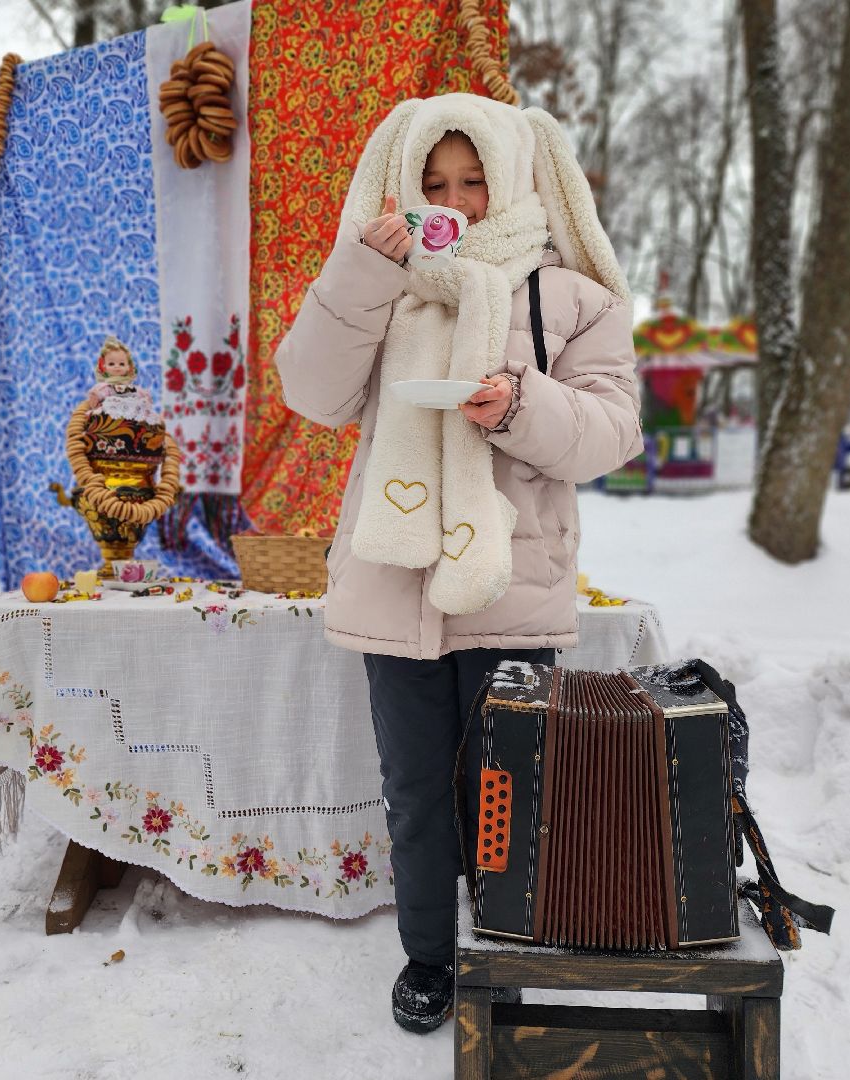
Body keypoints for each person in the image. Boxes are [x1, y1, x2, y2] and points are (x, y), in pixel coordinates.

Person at [275, 94, 643, 1034]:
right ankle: (432, 957)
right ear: (406, 187)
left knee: (512, 786)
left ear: (513, 176)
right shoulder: (385, 281)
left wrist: (520, 404)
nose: (457, 199)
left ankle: (510, 946)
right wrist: (362, 268)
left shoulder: (573, 296)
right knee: (415, 790)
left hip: (512, 584)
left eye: (473, 179)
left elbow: (611, 432)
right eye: (436, 182)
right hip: (396, 584)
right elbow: (312, 393)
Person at [85, 336, 160, 424]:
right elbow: (98, 397)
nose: (117, 366)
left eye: (122, 364)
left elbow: (140, 396)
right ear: (104, 366)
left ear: (128, 367)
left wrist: (145, 398)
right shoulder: (106, 386)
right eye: (111, 364)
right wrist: (95, 397)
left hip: (131, 417)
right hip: (110, 418)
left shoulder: (131, 387)